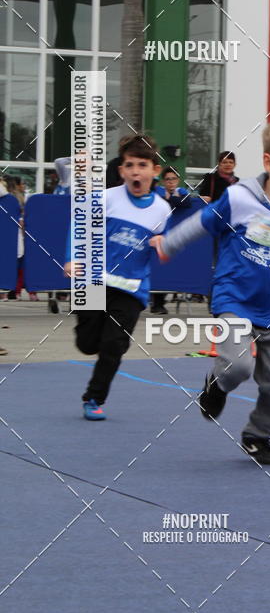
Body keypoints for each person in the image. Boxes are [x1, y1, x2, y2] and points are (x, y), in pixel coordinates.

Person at [151, 119, 270, 465]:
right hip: (233, 298)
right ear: (269, 162)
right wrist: (169, 243)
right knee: (237, 366)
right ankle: (216, 386)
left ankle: (257, 435)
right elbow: (201, 223)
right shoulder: (239, 198)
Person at [64, 135, 171, 420]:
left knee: (114, 345)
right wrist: (72, 257)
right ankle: (91, 335)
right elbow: (78, 225)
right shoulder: (105, 199)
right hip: (93, 280)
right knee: (87, 344)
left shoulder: (162, 209)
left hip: (131, 288)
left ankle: (93, 398)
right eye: (130, 165)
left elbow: (165, 247)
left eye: (143, 165)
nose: (136, 171)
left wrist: (162, 246)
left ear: (154, 171)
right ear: (122, 170)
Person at [151, 168, 193, 315]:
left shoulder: (181, 192)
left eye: (174, 179)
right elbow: (159, 202)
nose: (171, 182)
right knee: (157, 266)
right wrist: (168, 199)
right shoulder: (157, 192)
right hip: (158, 234)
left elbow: (187, 203)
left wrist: (170, 199)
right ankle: (156, 302)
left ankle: (161, 301)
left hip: (175, 236)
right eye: (168, 179)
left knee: (169, 266)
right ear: (163, 181)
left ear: (178, 180)